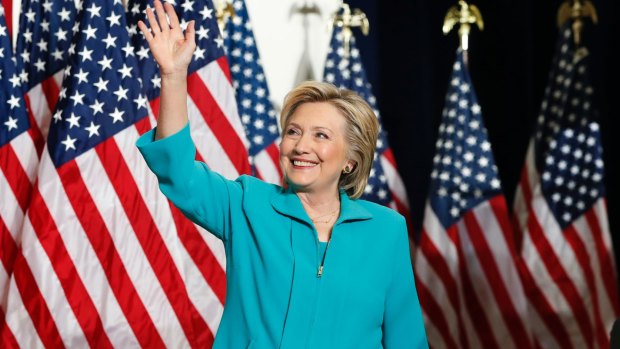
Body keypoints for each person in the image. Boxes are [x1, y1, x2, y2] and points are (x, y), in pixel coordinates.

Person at [136, 1, 428, 347]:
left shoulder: (386, 230)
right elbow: (178, 173)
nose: (301, 145)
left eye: (320, 135)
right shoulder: (247, 204)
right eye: (293, 132)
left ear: (351, 159)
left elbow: (406, 339)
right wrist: (172, 76)